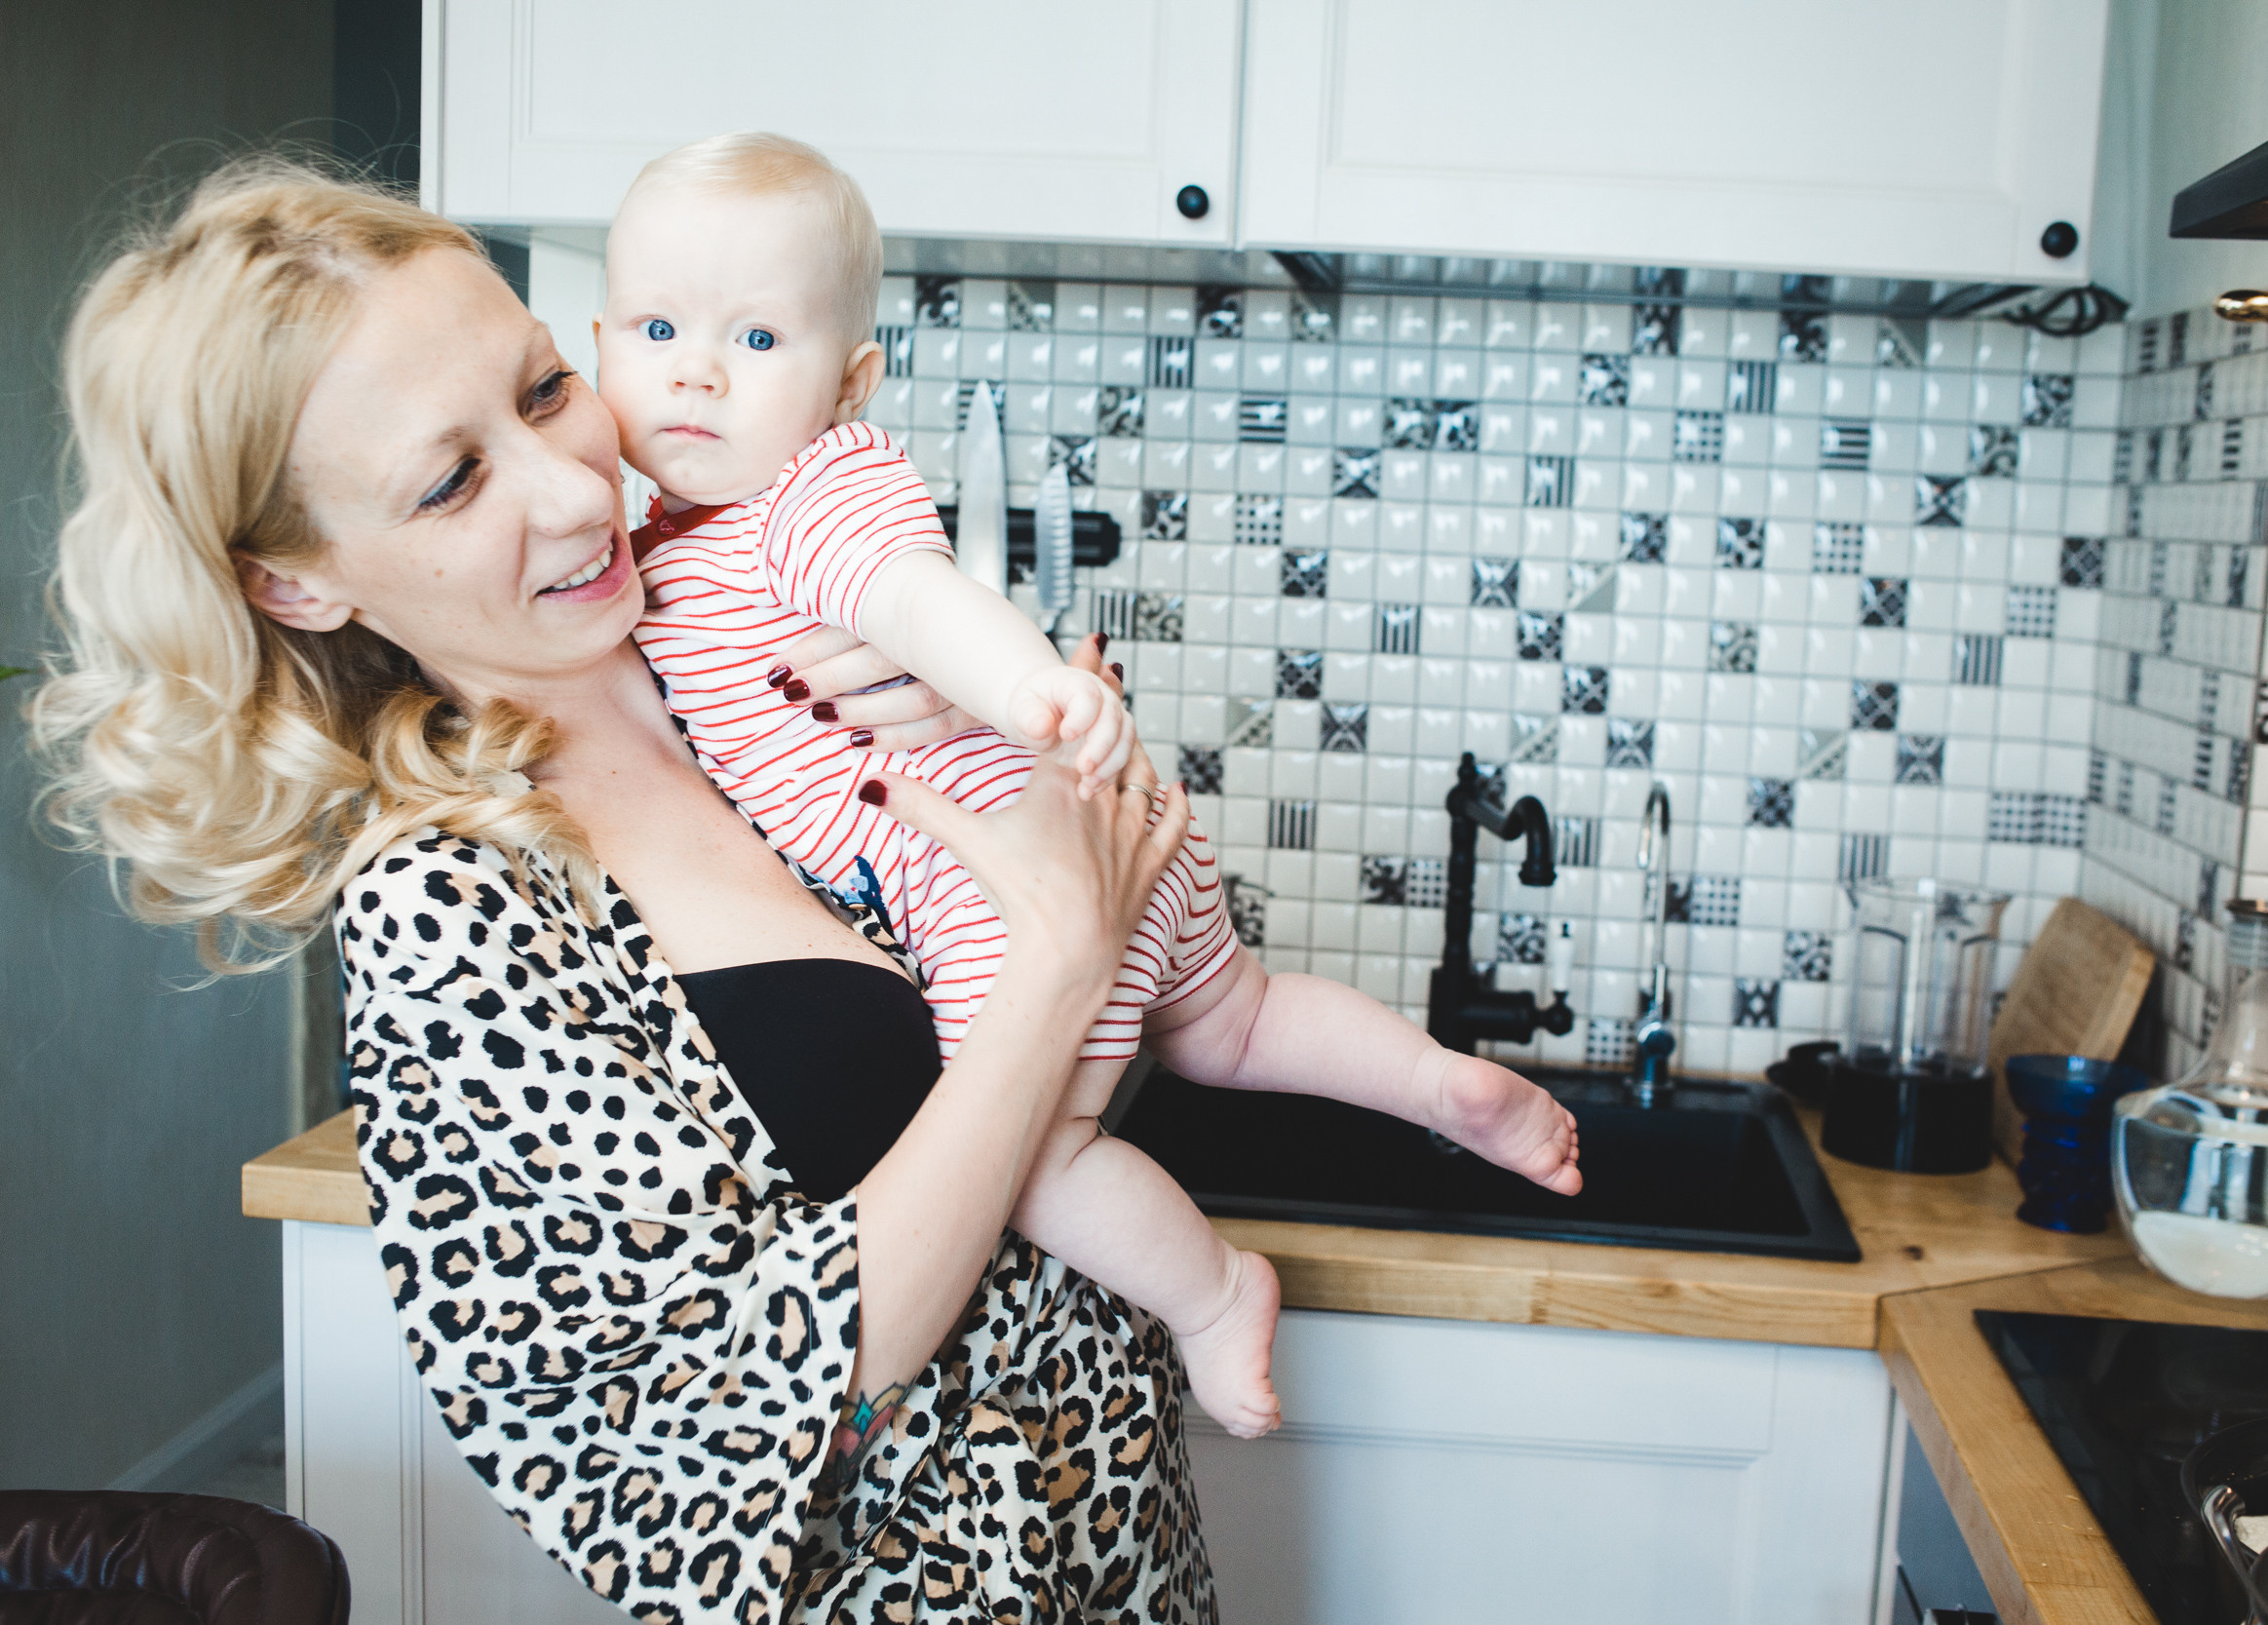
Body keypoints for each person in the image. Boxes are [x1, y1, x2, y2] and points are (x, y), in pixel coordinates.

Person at [35, 158, 1219, 1623]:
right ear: (298, 583)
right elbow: (684, 1476)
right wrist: (1053, 964)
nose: (577, 487)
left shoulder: (757, 644)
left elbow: (1111, 1027)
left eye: (542, 391)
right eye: (452, 479)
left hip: (1127, 1564)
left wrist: (1045, 758)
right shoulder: (453, 911)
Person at [601, 132, 1585, 1439]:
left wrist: (1026, 693)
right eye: (657, 327)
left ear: (850, 383)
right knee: (1233, 1019)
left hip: (993, 883)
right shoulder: (659, 545)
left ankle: (1216, 1296)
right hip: (1089, 832)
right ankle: (1439, 1085)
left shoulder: (802, 499)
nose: (698, 372)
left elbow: (914, 596)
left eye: (758, 341)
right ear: (599, 342)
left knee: (1028, 1158)